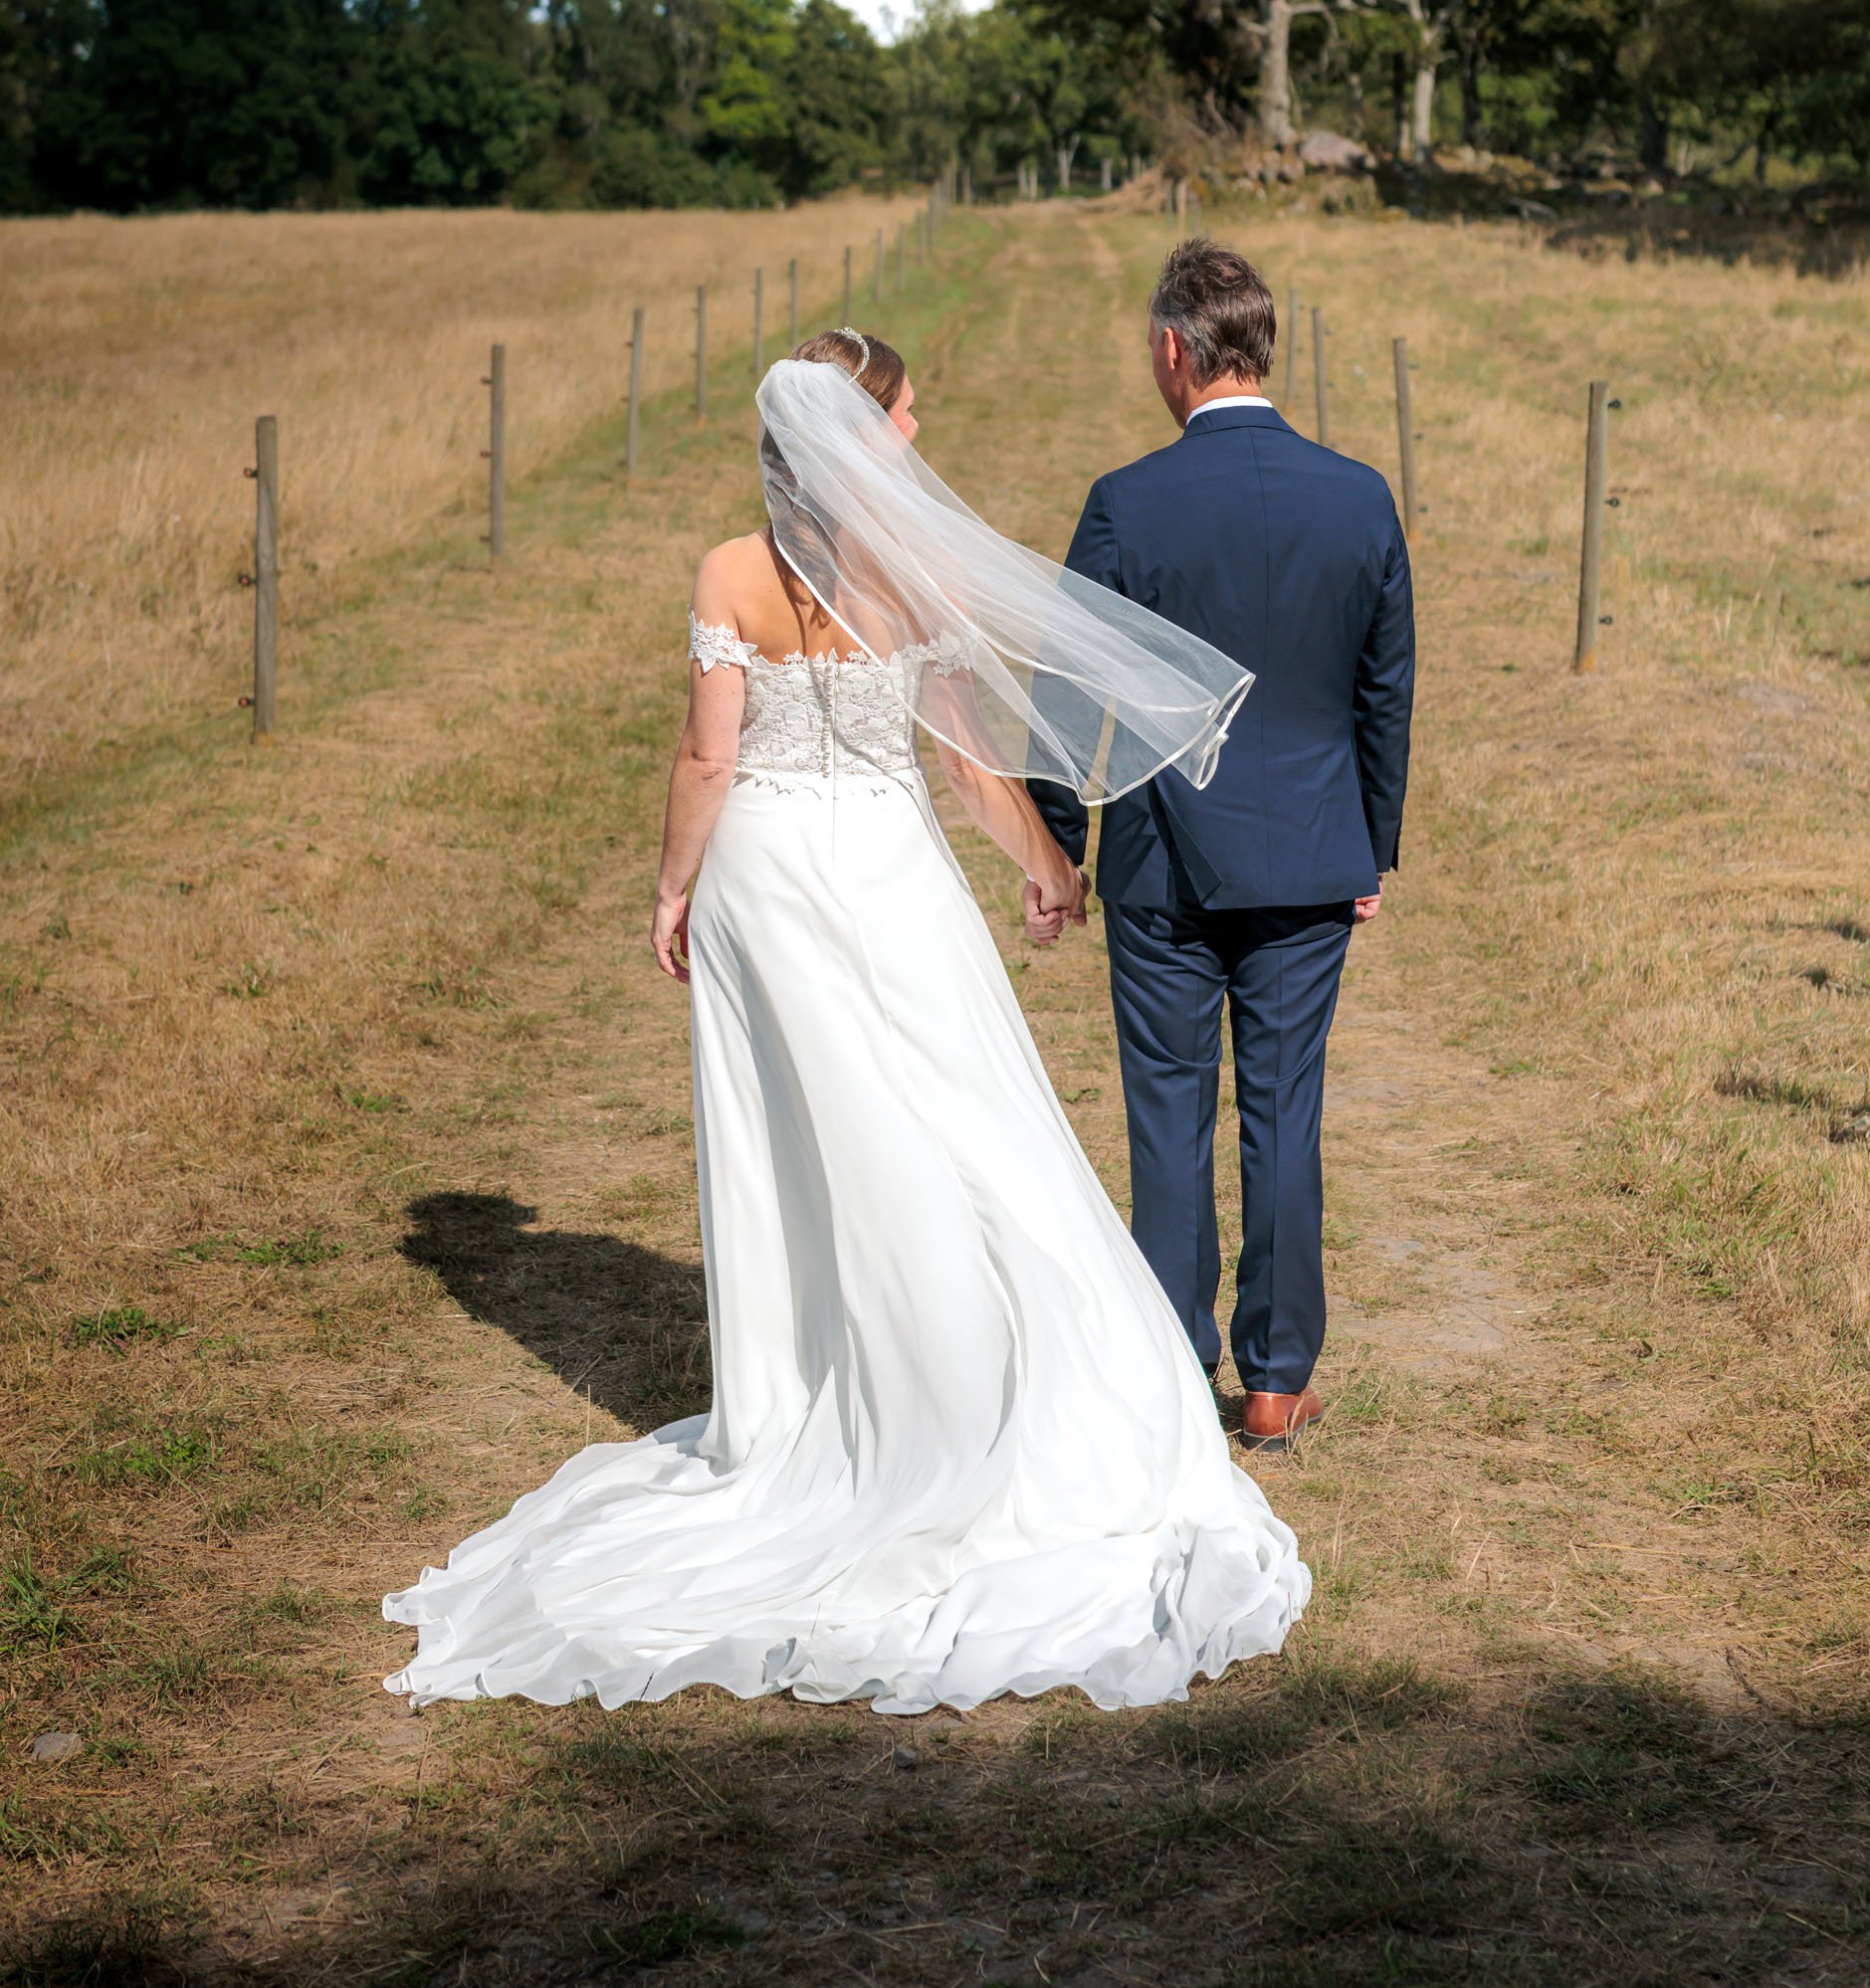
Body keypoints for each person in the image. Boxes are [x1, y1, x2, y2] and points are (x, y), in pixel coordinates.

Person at [382, 328, 1309, 1714]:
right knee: (953, 1121)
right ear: (860, 431)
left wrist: (673, 881)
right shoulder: (912, 572)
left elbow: (711, 751)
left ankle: (826, 1395)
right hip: (887, 871)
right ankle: (974, 1375)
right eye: (910, 412)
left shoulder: (728, 573)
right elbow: (965, 756)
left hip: (771, 874)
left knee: (803, 1146)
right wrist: (1045, 866)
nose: (920, 433)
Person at [1028, 243, 1415, 1455]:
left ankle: (1167, 1361)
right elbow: (1383, 687)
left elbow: (1064, 689)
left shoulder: (1126, 501)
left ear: (1170, 352)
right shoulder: (1357, 495)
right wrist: (1369, 848)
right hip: (1310, 857)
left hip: (1160, 865)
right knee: (1283, 1112)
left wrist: (1056, 843)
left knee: (1166, 1112)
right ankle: (1276, 1376)